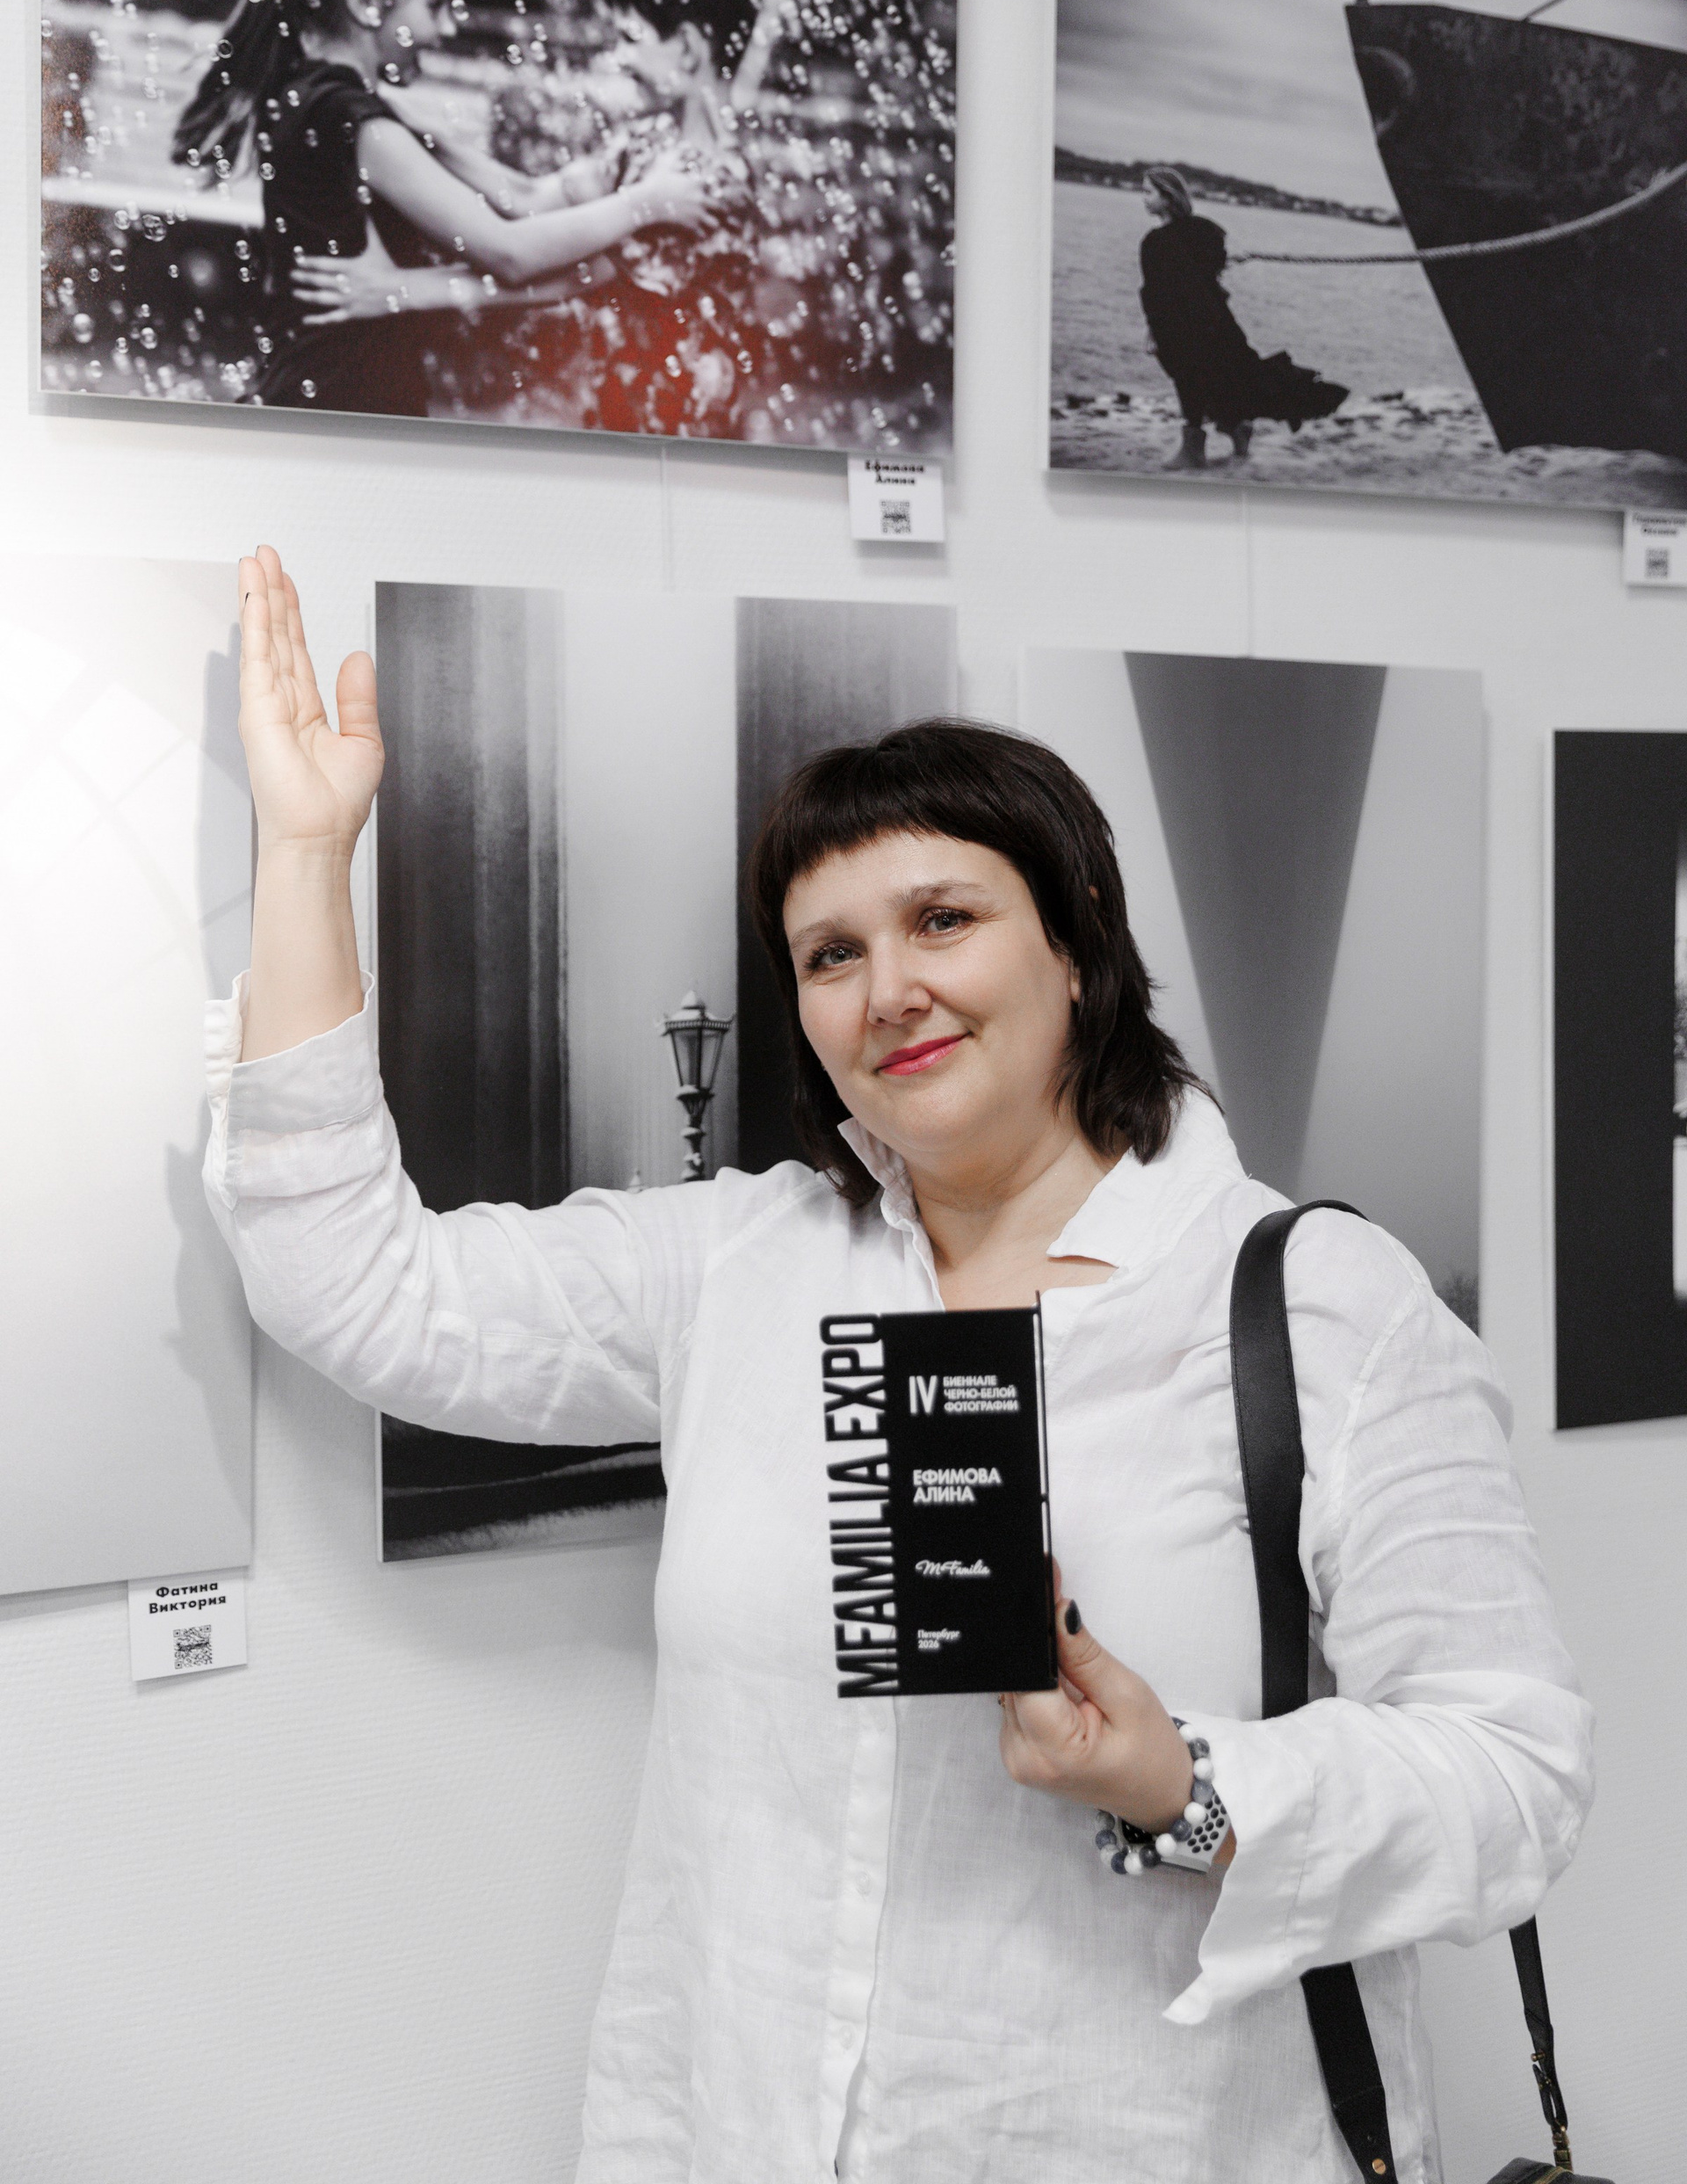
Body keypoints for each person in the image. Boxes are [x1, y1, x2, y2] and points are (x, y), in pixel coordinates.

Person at [204, 548, 1591, 2183]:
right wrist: (309, 855)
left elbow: (1516, 1778)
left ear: (1076, 944)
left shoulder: (1319, 1304)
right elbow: (361, 1286)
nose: (890, 992)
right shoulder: (738, 1268)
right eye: (830, 954)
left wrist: (1183, 1781)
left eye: (943, 920)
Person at [171, 0, 713, 418]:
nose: (446, 27)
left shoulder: (318, 98)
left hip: (323, 395)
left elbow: (521, 198)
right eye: (435, 4)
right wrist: (647, 203)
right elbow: (509, 253)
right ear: (365, 2)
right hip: (345, 404)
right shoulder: (350, 120)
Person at [291, 0, 766, 439]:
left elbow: (558, 273)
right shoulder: (647, 145)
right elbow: (529, 199)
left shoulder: (710, 186)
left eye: (631, 39)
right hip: (626, 416)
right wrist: (401, 122)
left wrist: (399, 291)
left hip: (683, 438)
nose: (618, 58)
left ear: (689, 48)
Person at [1138, 163, 1348, 469]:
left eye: (1148, 192)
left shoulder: (1154, 243)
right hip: (1215, 321)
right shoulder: (1205, 231)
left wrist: (1152, 330)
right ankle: (1237, 428)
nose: (1143, 199)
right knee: (1230, 376)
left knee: (1189, 380)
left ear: (1167, 197)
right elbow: (1209, 273)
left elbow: (1155, 294)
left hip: (1181, 326)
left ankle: (1194, 450)